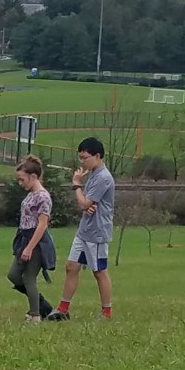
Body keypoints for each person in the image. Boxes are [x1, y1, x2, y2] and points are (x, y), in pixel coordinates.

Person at [52, 137, 116, 321]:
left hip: (97, 233)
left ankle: (106, 312)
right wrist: (87, 202)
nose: (82, 162)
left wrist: (77, 185)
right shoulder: (94, 174)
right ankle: (63, 309)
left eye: (84, 157)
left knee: (99, 271)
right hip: (84, 230)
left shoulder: (103, 177)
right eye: (80, 157)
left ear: (97, 156)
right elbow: (87, 203)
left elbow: (84, 202)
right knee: (71, 266)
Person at [8, 156, 57, 323]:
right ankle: (41, 304)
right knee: (13, 275)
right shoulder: (31, 195)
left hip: (36, 241)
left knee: (29, 277)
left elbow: (42, 225)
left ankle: (35, 314)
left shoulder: (43, 197)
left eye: (22, 179)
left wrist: (30, 248)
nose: (20, 183)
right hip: (24, 238)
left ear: (33, 176)